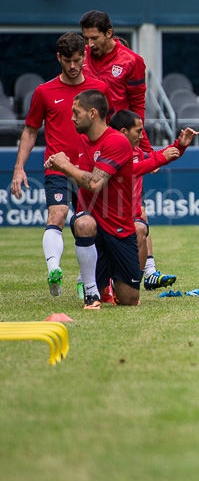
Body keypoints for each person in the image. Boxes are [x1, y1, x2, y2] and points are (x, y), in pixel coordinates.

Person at [79, 10, 177, 293]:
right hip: (89, 144)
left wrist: (143, 147)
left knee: (135, 208)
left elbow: (137, 106)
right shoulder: (81, 60)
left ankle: (148, 270)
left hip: (120, 145)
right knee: (89, 211)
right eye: (86, 38)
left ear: (109, 33)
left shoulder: (131, 62)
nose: (90, 44)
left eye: (94, 38)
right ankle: (92, 278)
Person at [10, 32, 110, 297]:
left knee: (89, 224)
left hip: (90, 169)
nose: (73, 66)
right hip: (57, 165)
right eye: (67, 61)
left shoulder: (98, 89)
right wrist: (19, 168)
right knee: (57, 214)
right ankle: (54, 269)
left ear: (84, 56)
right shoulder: (44, 92)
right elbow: (30, 130)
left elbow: (107, 130)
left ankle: (84, 280)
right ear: (59, 58)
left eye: (77, 60)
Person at [44, 89, 138, 309]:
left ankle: (110, 281)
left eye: (76, 112)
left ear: (93, 113)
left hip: (118, 227)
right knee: (84, 223)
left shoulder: (116, 141)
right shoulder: (84, 140)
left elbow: (95, 182)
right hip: (93, 224)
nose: (72, 118)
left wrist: (65, 166)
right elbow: (87, 173)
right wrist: (62, 165)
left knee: (129, 300)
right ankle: (91, 293)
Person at [106, 110, 197, 303]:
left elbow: (155, 157)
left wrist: (179, 146)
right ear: (123, 132)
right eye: (138, 131)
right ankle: (93, 286)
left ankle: (134, 284)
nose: (142, 136)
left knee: (141, 228)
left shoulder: (137, 152)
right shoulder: (111, 151)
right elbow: (131, 170)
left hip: (129, 217)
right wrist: (160, 158)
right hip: (109, 218)